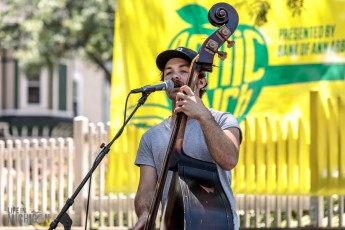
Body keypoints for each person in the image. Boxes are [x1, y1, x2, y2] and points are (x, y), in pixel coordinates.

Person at [133, 47, 242, 230]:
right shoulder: (151, 137)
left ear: (201, 81)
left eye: (184, 71)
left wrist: (203, 116)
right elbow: (146, 189)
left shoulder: (224, 120)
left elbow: (229, 159)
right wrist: (145, 212)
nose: (175, 76)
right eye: (169, 72)